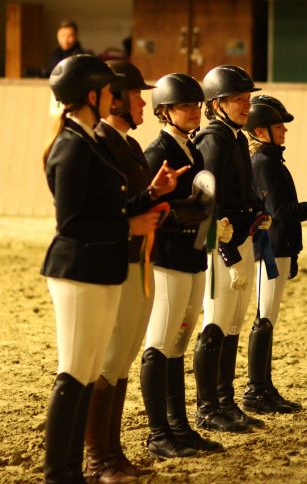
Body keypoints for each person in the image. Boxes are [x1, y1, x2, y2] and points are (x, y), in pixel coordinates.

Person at [41, 54, 177, 483]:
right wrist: (127, 227)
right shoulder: (71, 145)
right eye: (107, 91)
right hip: (77, 269)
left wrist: (148, 197)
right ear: (92, 96)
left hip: (100, 266)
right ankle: (59, 473)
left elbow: (109, 206)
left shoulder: (89, 142)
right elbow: (72, 222)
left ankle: (74, 470)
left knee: (85, 375)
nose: (112, 97)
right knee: (74, 373)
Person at [82, 59, 184, 481]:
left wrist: (156, 192)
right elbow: (104, 209)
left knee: (123, 359)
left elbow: (130, 202)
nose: (143, 103)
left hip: (141, 258)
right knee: (109, 359)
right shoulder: (100, 143)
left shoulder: (127, 145)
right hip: (116, 261)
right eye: (137, 95)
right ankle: (97, 458)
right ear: (117, 99)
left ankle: (114, 452)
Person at [242, 95, 307, 415]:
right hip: (269, 250)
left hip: (279, 248)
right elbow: (283, 211)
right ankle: (256, 390)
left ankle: (265, 387)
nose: (284, 131)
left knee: (269, 318)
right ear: (260, 132)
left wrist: (294, 250)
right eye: (278, 126)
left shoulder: (272, 161)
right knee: (264, 318)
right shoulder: (263, 164)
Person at [141, 72, 228, 458]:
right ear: (164, 111)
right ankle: (158, 434)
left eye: (196, 105)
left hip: (192, 257)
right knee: (159, 343)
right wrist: (185, 213)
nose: (194, 111)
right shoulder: (157, 152)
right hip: (167, 260)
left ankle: (179, 427)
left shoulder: (192, 150)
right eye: (184, 106)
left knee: (178, 344)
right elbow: (150, 207)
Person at [192, 65, 265, 432]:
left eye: (247, 99)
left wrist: (258, 210)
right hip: (220, 244)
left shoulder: (235, 138)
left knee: (233, 323)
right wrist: (228, 252)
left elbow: (241, 189)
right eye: (239, 99)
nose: (247, 105)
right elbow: (209, 200)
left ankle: (226, 401)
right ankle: (207, 407)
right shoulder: (213, 140)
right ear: (217, 103)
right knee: (216, 324)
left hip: (241, 237)